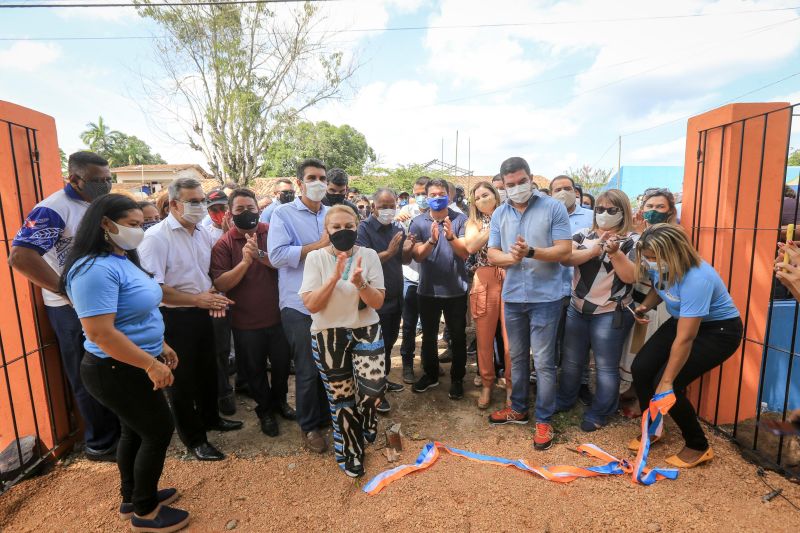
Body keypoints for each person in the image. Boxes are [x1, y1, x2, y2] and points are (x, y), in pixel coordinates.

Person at [60, 194, 188, 532]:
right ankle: (145, 513)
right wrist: (149, 363)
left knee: (134, 430)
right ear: (105, 223)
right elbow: (101, 333)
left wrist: (159, 343)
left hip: (132, 361)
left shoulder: (122, 258)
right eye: (132, 225)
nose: (139, 231)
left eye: (141, 224)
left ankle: (133, 496)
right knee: (158, 429)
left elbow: (134, 312)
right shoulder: (92, 270)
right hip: (115, 368)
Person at [8, 151, 120, 462]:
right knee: (86, 375)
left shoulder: (95, 205)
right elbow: (20, 256)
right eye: (98, 181)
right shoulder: (53, 209)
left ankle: (119, 433)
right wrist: (66, 289)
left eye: (108, 179)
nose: (106, 186)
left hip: (104, 302)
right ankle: (101, 443)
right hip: (70, 309)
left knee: (110, 369)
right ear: (74, 179)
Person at [138, 177, 242, 462]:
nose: (200, 206)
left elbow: (207, 271)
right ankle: (194, 439)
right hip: (174, 315)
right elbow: (153, 289)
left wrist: (210, 294)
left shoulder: (202, 233)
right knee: (182, 381)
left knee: (209, 370)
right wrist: (197, 299)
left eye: (202, 200)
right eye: (193, 201)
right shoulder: (156, 238)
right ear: (174, 204)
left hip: (205, 311)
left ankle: (211, 419)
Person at [631, 224, 742, 468]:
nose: (649, 263)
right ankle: (654, 428)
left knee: (669, 383)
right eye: (647, 258)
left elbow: (685, 339)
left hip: (718, 331)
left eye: (652, 258)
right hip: (683, 319)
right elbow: (660, 289)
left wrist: (668, 380)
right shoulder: (662, 265)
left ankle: (698, 445)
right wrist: (644, 307)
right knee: (641, 368)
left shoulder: (698, 278)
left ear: (674, 252)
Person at [486, 157, 572, 451]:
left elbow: (564, 250)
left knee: (545, 362)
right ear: (504, 185)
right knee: (518, 357)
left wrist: (531, 251)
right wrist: (514, 258)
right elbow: (492, 254)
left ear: (531, 178)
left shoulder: (553, 207)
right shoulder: (499, 213)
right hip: (513, 298)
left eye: (521, 181)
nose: (517, 188)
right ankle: (519, 409)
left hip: (546, 298)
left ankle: (545, 419)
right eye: (510, 185)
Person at [299, 205, 387, 478]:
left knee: (373, 390)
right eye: (336, 227)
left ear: (357, 226)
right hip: (328, 334)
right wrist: (334, 277)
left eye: (348, 226)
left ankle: (368, 419)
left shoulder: (369, 255)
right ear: (327, 230)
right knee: (341, 399)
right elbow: (312, 305)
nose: (342, 231)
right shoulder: (316, 258)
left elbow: (378, 302)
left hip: (366, 329)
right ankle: (351, 452)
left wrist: (360, 283)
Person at [210, 188, 295, 437]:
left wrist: (258, 255)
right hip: (246, 324)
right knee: (255, 371)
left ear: (258, 209)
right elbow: (221, 284)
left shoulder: (272, 232)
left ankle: (280, 402)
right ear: (230, 213)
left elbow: (284, 262)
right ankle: (265, 410)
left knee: (281, 367)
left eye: (250, 208)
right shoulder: (223, 244)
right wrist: (245, 262)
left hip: (279, 317)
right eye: (240, 209)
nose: (246, 213)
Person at [556, 190, 639, 431]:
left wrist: (614, 253)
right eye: (600, 209)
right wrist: (594, 250)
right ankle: (565, 399)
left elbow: (630, 276)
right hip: (577, 308)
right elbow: (566, 259)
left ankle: (601, 411)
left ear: (623, 212)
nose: (604, 214)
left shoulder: (633, 240)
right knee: (571, 361)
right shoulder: (583, 235)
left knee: (605, 367)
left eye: (611, 210)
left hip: (611, 312)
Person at [267, 158, 332, 453]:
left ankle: (325, 415)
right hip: (298, 304)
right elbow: (277, 256)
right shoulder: (283, 214)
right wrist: (317, 246)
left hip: (331, 302)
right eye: (312, 177)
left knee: (329, 364)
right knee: (307, 368)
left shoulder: (332, 213)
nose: (318, 182)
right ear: (299, 183)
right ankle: (309, 427)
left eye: (322, 177)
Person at [409, 179, 470, 399]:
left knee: (458, 337)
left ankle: (457, 378)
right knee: (428, 337)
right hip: (428, 290)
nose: (437, 197)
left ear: (449, 196)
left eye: (441, 193)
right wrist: (432, 241)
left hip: (456, 290)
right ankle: (431, 374)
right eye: (432, 194)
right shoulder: (417, 222)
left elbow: (465, 253)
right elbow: (416, 255)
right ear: (426, 196)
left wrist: (450, 236)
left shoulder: (461, 220)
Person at [356, 188, 415, 412]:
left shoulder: (397, 228)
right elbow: (363, 262)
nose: (388, 210)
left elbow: (404, 260)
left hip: (395, 297)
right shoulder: (364, 229)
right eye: (383, 206)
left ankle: (383, 380)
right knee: (373, 348)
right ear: (373, 207)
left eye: (392, 206)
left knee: (388, 344)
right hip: (375, 300)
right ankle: (374, 391)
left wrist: (407, 249)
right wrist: (390, 251)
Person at [464, 181, 511, 409]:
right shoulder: (473, 222)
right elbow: (471, 247)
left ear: (496, 194)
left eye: (487, 194)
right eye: (478, 196)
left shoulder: (512, 215)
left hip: (511, 276)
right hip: (484, 279)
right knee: (483, 338)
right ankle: (487, 384)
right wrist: (492, 225)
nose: (483, 199)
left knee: (512, 340)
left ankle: (512, 386)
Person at [551, 175, 595, 405]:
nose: (563, 192)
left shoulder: (590, 217)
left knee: (581, 343)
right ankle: (553, 382)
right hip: (552, 289)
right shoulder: (545, 216)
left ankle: (583, 383)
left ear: (575, 191)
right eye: (557, 189)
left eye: (567, 188)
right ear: (550, 193)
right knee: (552, 339)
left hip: (582, 289)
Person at [397, 177, 430, 384]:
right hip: (410, 276)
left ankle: (428, 362)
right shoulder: (404, 214)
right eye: (417, 193)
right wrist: (397, 218)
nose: (421, 197)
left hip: (431, 278)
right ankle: (407, 364)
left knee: (429, 325)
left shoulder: (438, 215)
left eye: (425, 193)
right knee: (409, 324)